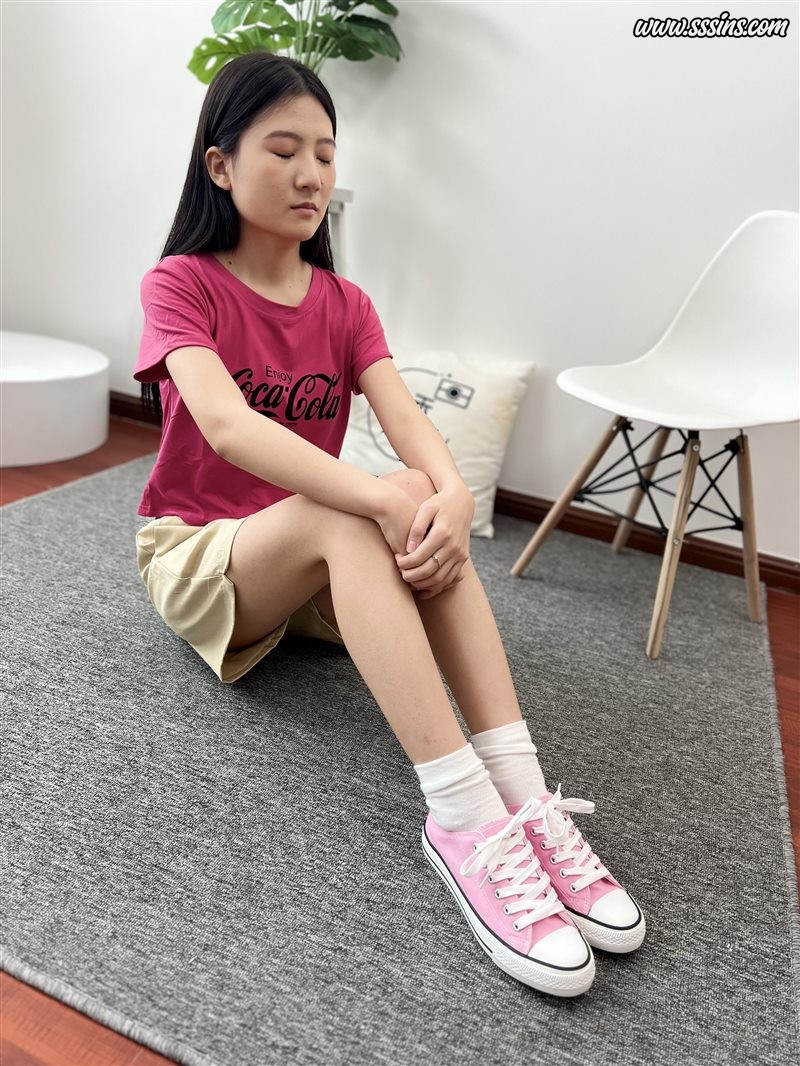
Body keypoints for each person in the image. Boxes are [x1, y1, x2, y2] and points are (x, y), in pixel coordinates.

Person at [133, 53, 645, 999]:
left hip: (315, 566)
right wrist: (380, 499)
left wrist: (451, 496)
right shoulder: (181, 284)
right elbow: (228, 427)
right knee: (362, 502)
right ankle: (461, 817)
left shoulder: (345, 304)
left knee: (408, 485)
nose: (310, 174)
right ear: (220, 165)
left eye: (325, 154)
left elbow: (407, 421)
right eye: (283, 150)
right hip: (204, 555)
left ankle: (522, 793)